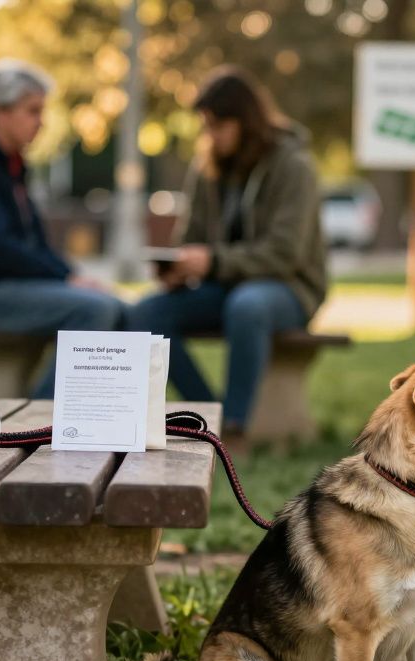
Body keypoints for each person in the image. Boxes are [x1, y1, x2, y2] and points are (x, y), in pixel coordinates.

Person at [127, 66, 327, 441]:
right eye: (206, 126)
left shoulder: (293, 167)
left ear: (244, 121)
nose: (210, 136)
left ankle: (234, 428)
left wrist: (213, 261)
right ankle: (208, 417)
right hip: (224, 285)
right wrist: (179, 267)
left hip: (288, 288)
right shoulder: (207, 166)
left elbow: (285, 254)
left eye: (217, 126)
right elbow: (192, 237)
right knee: (146, 313)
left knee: (247, 305)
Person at [0, 59, 124, 399]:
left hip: (8, 286)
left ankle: (115, 413)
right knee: (96, 309)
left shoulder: (10, 163)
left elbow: (33, 242)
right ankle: (40, 421)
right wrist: (64, 279)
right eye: (32, 111)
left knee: (121, 308)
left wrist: (69, 274)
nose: (41, 122)